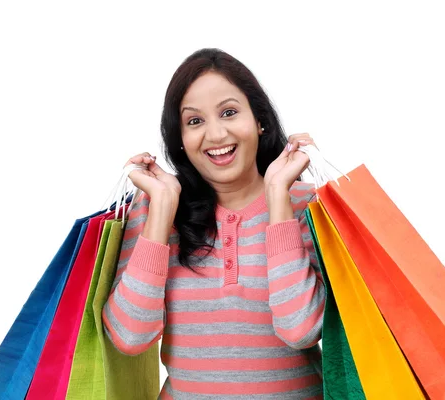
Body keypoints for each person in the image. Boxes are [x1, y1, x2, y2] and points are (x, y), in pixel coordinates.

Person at [102, 48, 326, 399]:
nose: (216, 134)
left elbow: (301, 328)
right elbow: (130, 336)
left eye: (229, 112)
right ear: (179, 138)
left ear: (259, 120)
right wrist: (162, 210)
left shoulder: (309, 207)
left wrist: (279, 199)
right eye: (195, 121)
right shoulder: (154, 212)